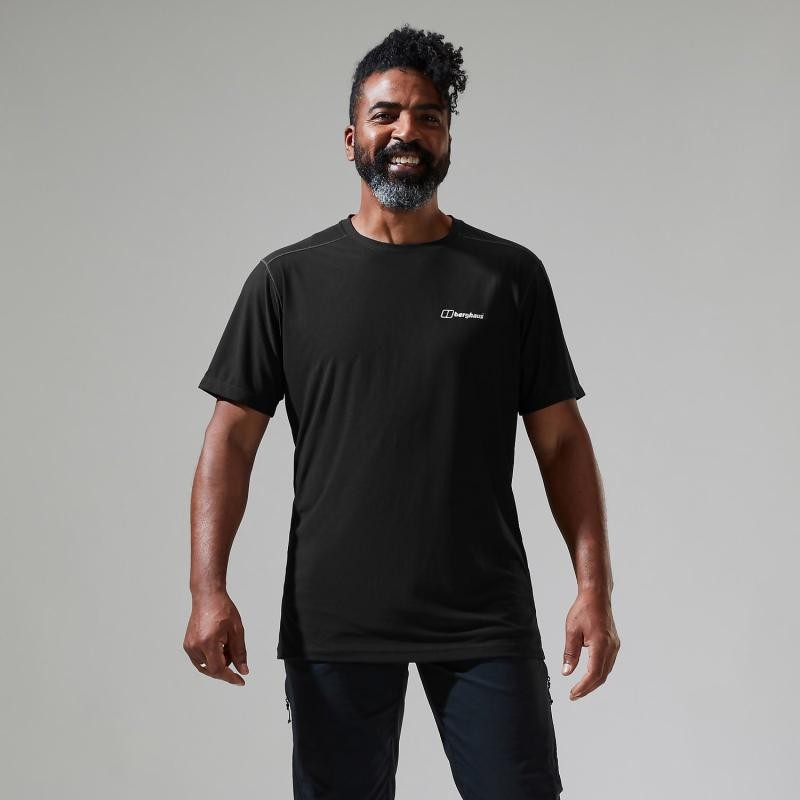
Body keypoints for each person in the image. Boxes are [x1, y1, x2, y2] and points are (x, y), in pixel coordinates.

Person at [183, 23, 620, 800]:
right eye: (385, 114)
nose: (406, 132)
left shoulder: (508, 277)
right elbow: (230, 442)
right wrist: (206, 590)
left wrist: (595, 590)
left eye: (428, 116)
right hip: (335, 620)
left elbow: (561, 443)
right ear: (352, 136)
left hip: (483, 617)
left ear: (449, 138)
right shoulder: (287, 281)